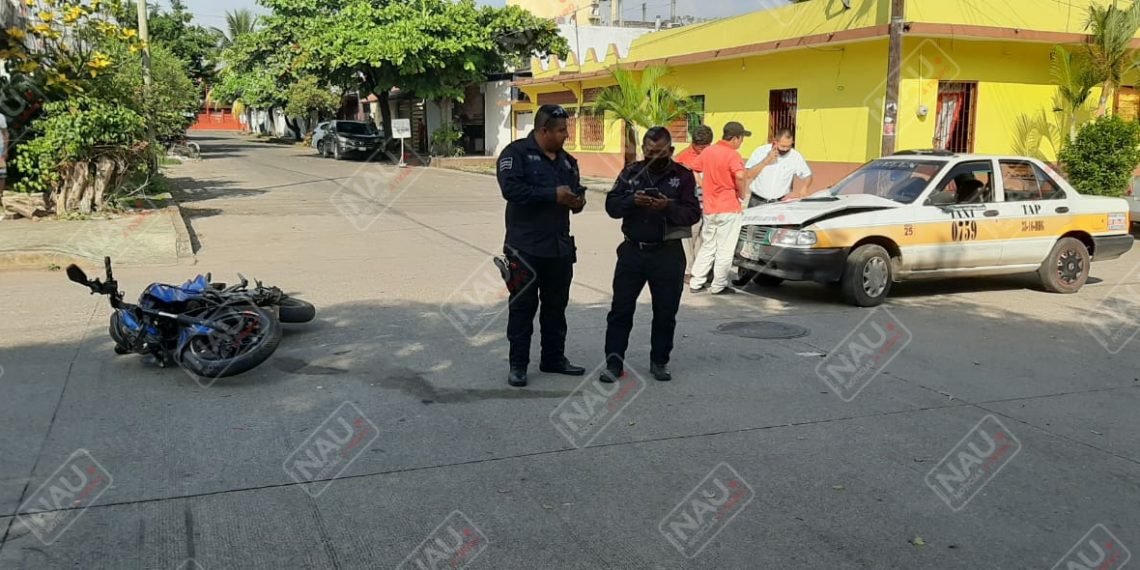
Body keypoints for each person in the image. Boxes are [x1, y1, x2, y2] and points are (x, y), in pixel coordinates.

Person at [496, 104, 587, 387]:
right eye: (561, 130)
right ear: (543, 130)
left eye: (566, 130)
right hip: (525, 248)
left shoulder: (568, 162)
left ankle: (553, 358)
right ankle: (518, 365)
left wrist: (577, 201)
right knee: (522, 308)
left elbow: (576, 196)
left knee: (556, 308)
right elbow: (511, 190)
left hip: (559, 248)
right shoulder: (516, 154)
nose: (566, 135)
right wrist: (551, 195)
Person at [601, 127, 701, 383]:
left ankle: (659, 361)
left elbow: (693, 214)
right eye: (649, 152)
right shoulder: (631, 172)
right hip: (633, 251)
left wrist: (667, 207)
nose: (654, 156)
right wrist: (631, 201)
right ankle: (614, 364)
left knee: (665, 312)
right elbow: (611, 206)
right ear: (643, 150)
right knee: (620, 310)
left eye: (660, 152)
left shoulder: (683, 176)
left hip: (667, 253)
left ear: (671, 150)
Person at [688, 121, 752, 295]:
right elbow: (740, 176)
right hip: (729, 208)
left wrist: (703, 185)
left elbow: (694, 168)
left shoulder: (708, 151)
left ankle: (696, 282)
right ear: (735, 138)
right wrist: (742, 193)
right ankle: (719, 285)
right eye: (741, 138)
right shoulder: (733, 155)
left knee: (708, 245)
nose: (741, 142)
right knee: (725, 248)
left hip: (710, 208)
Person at [675, 125, 714, 284]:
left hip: (711, 204)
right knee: (689, 239)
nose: (701, 150)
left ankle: (706, 270)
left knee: (708, 239)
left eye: (705, 147)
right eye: (698, 147)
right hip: (691, 203)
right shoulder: (682, 157)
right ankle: (689, 271)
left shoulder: (714, 154)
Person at [744, 128, 812, 207]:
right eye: (783, 146)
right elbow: (748, 175)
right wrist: (766, 161)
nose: (785, 149)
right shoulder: (760, 151)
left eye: (789, 146)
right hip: (757, 201)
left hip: (779, 204)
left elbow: (808, 176)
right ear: (775, 142)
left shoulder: (795, 156)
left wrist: (805, 188)